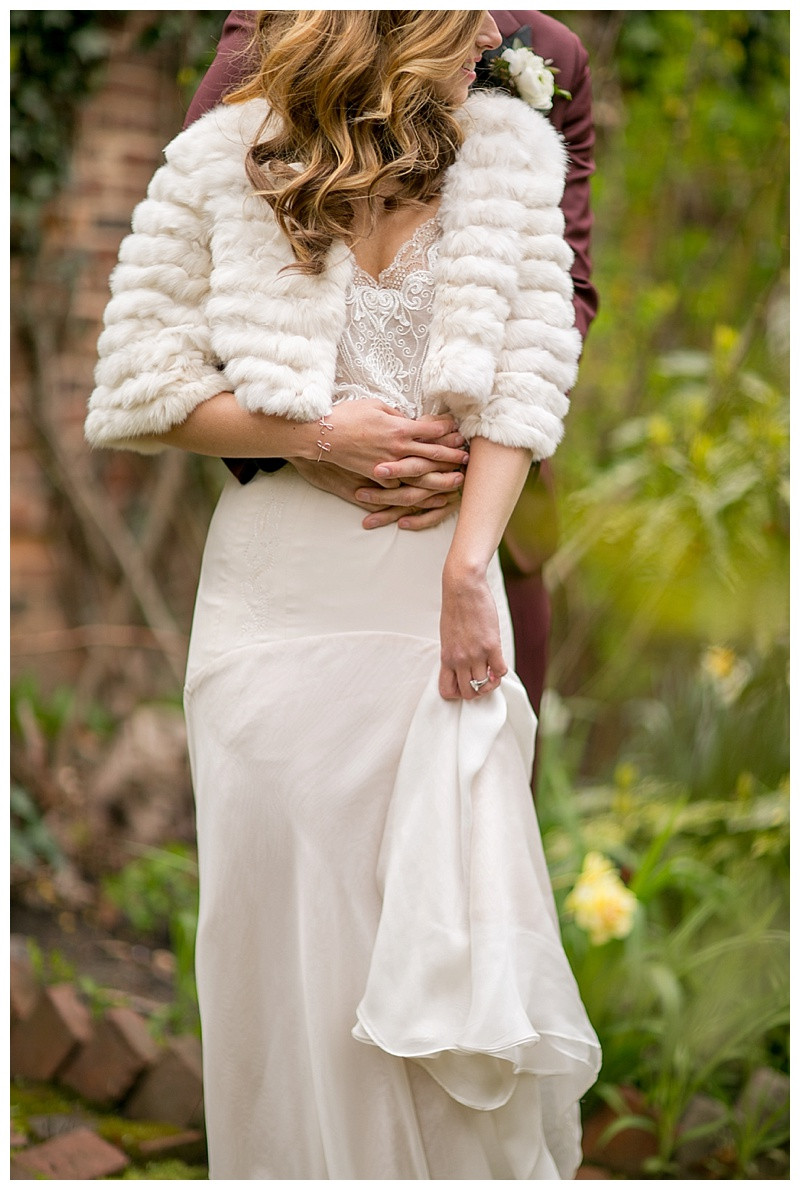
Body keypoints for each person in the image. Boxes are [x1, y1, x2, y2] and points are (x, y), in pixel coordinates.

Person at [86, 11, 601, 1179]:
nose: (490, 23)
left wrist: (470, 570)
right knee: (283, 949)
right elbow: (137, 383)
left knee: (438, 939)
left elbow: (528, 369)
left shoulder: (514, 149)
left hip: (428, 599)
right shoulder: (227, 153)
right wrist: (310, 431)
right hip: (271, 611)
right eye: (459, 10)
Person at [184, 9, 598, 729]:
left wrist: (450, 451)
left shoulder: (554, 52)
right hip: (307, 535)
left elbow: (564, 297)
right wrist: (310, 438)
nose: (490, 40)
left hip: (485, 521)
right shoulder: (272, 31)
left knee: (480, 811)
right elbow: (192, 275)